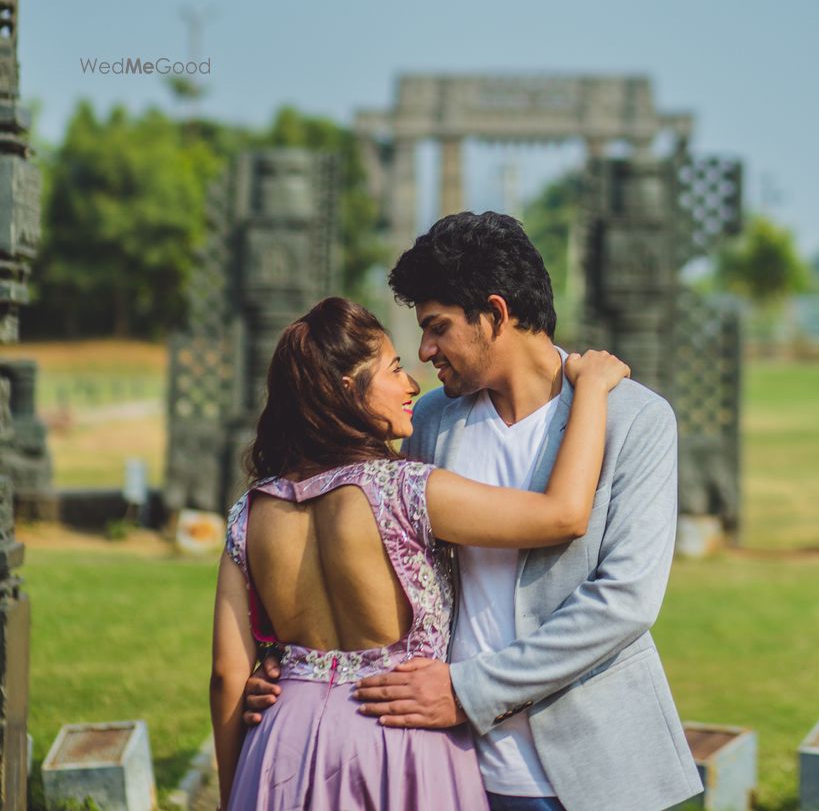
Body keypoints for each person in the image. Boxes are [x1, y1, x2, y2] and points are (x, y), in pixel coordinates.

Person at [246, 212, 703, 811]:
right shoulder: (428, 422)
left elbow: (626, 600)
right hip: (452, 766)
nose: (424, 350)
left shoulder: (633, 419)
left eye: (437, 328)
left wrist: (469, 690)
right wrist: (291, 663)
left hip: (597, 764)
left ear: (495, 313)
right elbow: (370, 558)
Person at [211, 293, 629, 811]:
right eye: (393, 369)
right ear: (348, 389)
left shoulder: (248, 513)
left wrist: (234, 793)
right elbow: (563, 515)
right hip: (397, 736)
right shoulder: (406, 490)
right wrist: (589, 388)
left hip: (280, 745)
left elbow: (228, 675)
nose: (413, 383)